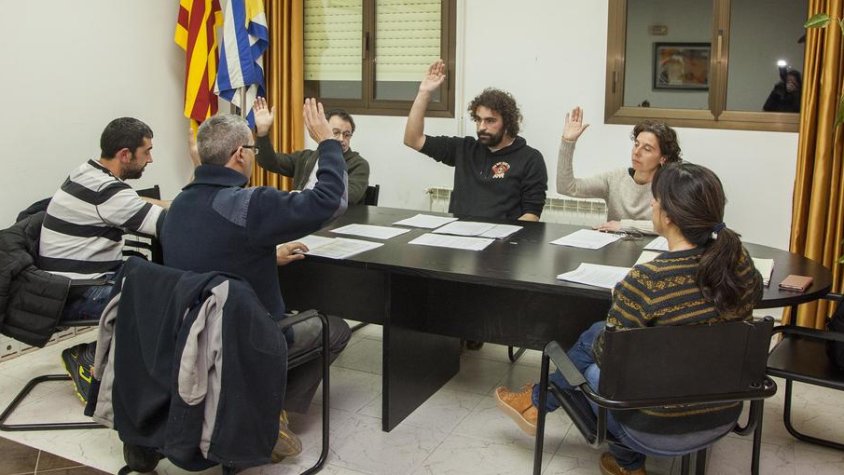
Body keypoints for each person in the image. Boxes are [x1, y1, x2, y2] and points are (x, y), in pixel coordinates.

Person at [495, 162, 763, 475]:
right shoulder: (738, 259)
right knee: (599, 334)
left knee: (588, 355)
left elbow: (611, 356)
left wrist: (618, 308)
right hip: (722, 414)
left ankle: (554, 408)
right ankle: (542, 403)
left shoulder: (648, 279)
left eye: (656, 199)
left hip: (655, 427)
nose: (651, 203)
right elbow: (753, 294)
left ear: (669, 216)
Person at [159, 101, 351, 462]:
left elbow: (210, 249)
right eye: (251, 148)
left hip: (189, 335)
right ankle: (268, 414)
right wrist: (327, 142)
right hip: (241, 339)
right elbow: (331, 202)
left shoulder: (179, 204)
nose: (252, 154)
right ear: (238, 156)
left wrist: (264, 252)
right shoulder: (250, 204)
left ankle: (261, 407)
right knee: (335, 328)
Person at [37, 117, 168, 403]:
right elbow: (168, 224)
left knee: (155, 280)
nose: (151, 159)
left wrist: (170, 203)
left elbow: (137, 204)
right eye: (146, 152)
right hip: (77, 293)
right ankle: (90, 357)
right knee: (163, 299)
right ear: (125, 154)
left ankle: (120, 359)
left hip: (61, 284)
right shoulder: (108, 191)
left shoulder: (87, 173)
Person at [404, 59, 548, 222]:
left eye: (490, 121)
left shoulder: (530, 158)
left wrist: (505, 238)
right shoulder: (464, 148)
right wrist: (424, 93)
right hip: (458, 237)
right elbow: (412, 139)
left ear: (507, 123)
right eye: (478, 120)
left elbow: (532, 214)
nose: (482, 127)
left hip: (502, 240)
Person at [556, 107, 682, 234]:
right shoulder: (614, 178)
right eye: (636, 144)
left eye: (647, 149)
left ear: (663, 158)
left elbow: (673, 226)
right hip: (614, 249)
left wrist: (624, 225)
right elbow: (566, 187)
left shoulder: (671, 185)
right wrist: (568, 142)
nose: (637, 152)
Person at [253, 97, 371, 205]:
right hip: (301, 217)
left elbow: (348, 196)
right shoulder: (306, 157)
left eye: (346, 135)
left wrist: (300, 196)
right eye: (335, 133)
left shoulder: (358, 164)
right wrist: (262, 133)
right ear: (323, 130)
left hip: (334, 220)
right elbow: (268, 161)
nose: (341, 139)